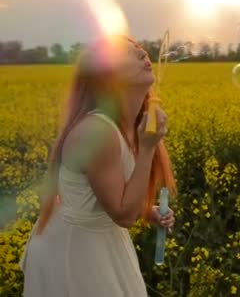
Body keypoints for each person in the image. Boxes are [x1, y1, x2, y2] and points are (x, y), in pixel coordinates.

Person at [19, 35, 177, 297]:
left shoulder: (130, 124)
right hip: (73, 250)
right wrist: (148, 147)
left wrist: (148, 211)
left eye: (139, 49)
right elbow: (123, 215)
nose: (143, 54)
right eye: (128, 53)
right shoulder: (97, 132)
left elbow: (113, 196)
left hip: (102, 242)